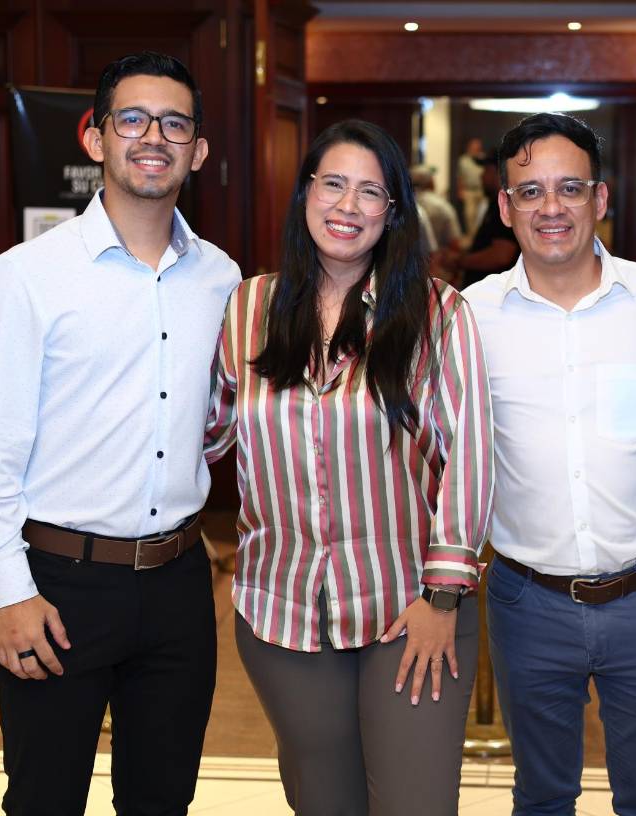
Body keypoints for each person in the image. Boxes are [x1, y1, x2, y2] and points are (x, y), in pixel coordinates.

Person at [0, 52, 241, 815]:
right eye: (134, 119)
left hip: (180, 583)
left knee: (162, 800)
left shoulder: (223, 279)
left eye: (175, 122)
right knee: (44, 800)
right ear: (97, 138)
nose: (155, 136)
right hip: (58, 585)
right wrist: (8, 592)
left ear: (198, 150)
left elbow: (216, 423)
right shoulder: (25, 275)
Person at [204, 119, 493, 816]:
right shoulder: (249, 308)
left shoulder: (436, 313)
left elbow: (471, 459)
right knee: (324, 803)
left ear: (394, 213)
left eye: (372, 192)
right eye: (333, 183)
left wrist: (443, 597)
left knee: (413, 805)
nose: (348, 205)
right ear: (305, 193)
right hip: (282, 614)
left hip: (411, 611)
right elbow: (201, 436)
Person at [462, 113, 636, 816]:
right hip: (528, 603)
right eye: (530, 192)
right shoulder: (470, 317)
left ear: (602, 197)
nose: (551, 207)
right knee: (541, 797)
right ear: (504, 207)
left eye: (569, 188)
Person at [449, 157, 520, 290]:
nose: (481, 176)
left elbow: (501, 255)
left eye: (486, 170)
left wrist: (461, 261)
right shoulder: (493, 204)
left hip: (493, 295)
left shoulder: (504, 207)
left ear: (499, 173)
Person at [412, 163, 463, 253]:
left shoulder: (400, 205)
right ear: (431, 183)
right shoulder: (443, 206)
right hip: (435, 262)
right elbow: (455, 244)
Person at [457, 136, 487, 238]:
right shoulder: (463, 160)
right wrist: (460, 190)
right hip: (469, 190)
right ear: (469, 147)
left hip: (482, 191)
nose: (476, 148)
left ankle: (480, 237)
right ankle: (472, 237)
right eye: (474, 146)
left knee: (482, 216)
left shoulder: (483, 159)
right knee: (469, 215)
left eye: (478, 146)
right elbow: (460, 177)